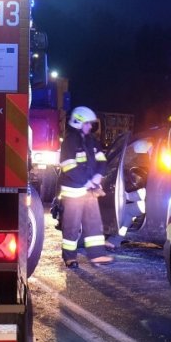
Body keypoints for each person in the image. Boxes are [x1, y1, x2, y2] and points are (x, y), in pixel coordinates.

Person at [57, 106, 113, 267]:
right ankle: (70, 257)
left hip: (89, 190)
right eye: (87, 123)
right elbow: (68, 166)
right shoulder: (69, 142)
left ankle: (97, 255)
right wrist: (87, 181)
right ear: (78, 122)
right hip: (74, 191)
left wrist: (98, 175)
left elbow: (102, 160)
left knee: (94, 223)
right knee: (71, 227)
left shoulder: (91, 141)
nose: (90, 127)